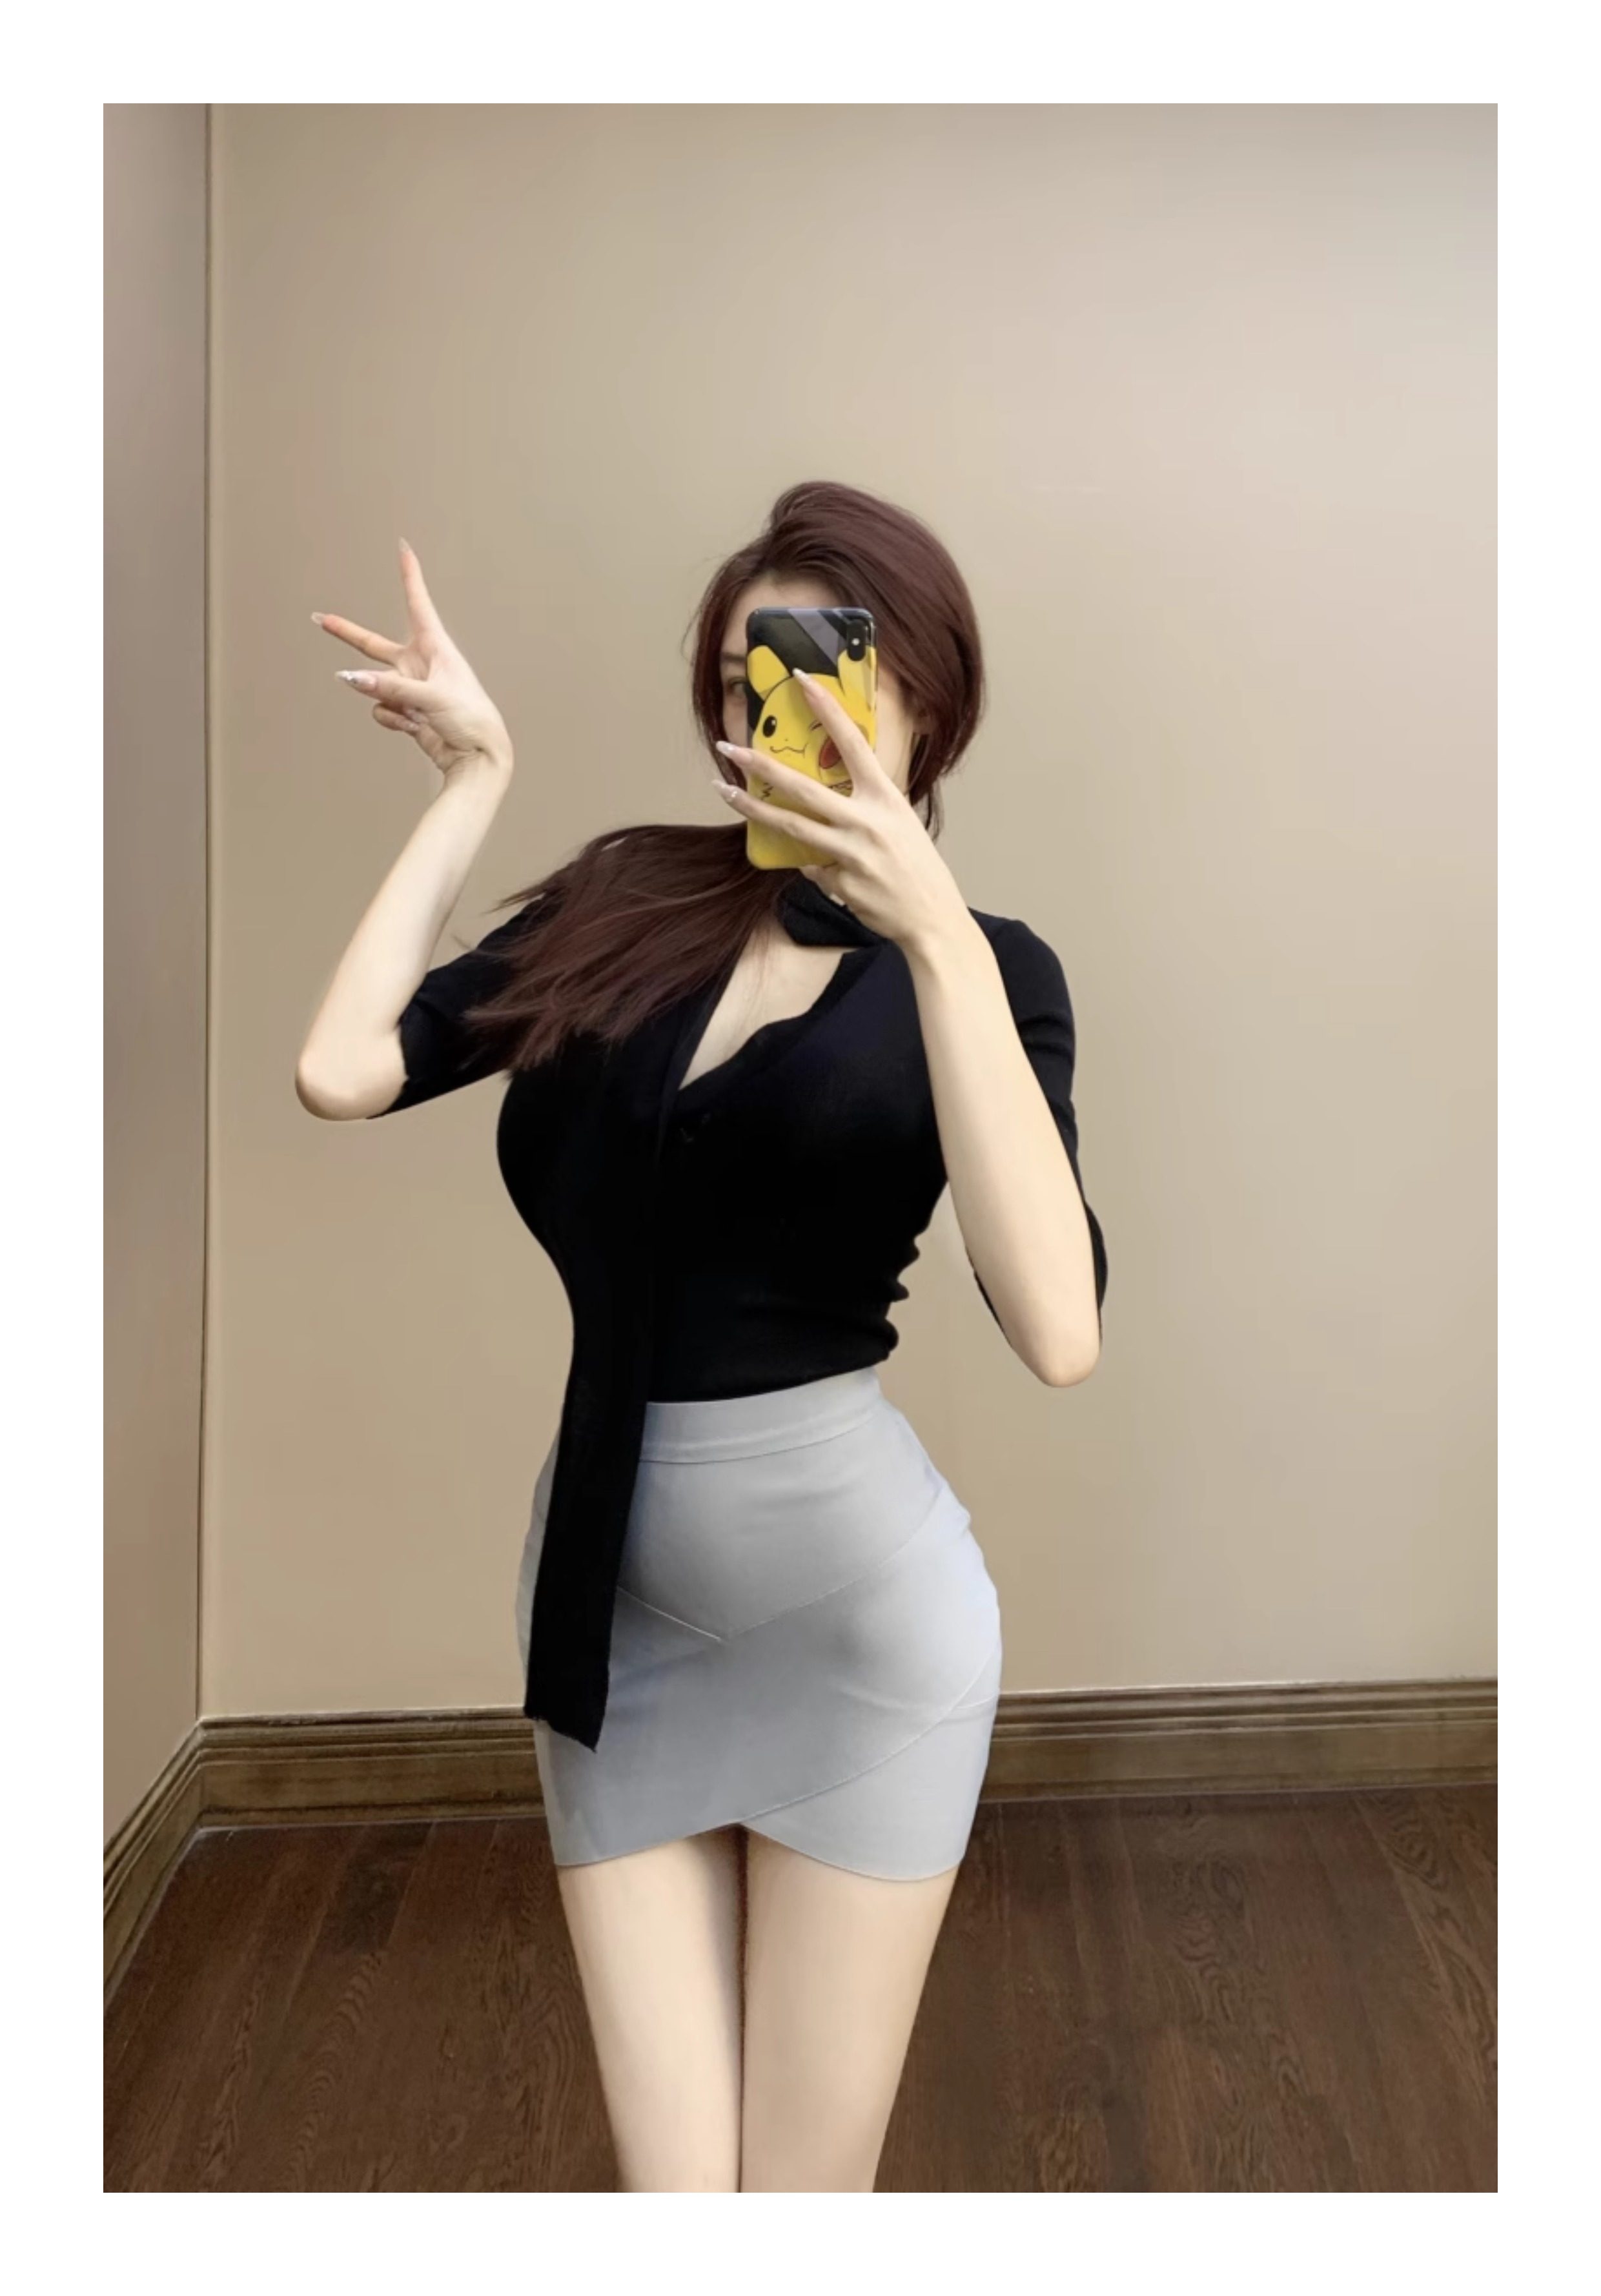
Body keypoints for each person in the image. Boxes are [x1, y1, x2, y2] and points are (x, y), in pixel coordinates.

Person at [296, 480, 1107, 2193]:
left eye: (825, 666)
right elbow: (343, 1067)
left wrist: (931, 929)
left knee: (798, 2206)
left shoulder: (991, 970)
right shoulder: (629, 900)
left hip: (867, 1643)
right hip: (614, 1620)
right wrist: (471, 783)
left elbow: (1057, 1326)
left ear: (927, 702)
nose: (780, 709)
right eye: (750, 677)